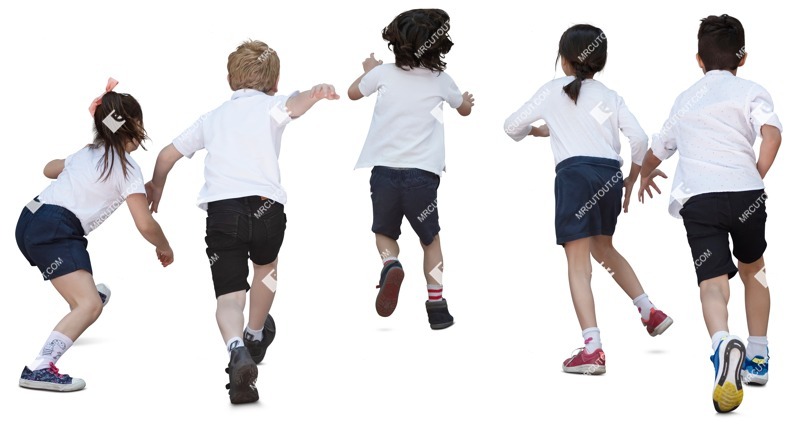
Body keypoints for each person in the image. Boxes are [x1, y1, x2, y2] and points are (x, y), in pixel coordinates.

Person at [146, 40, 339, 404]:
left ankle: (236, 348)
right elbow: (294, 105)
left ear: (230, 79)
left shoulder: (213, 117)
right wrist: (314, 95)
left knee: (229, 294)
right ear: (275, 80)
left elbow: (167, 154)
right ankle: (254, 334)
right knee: (266, 267)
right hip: (267, 209)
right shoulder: (272, 106)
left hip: (223, 215)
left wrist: (156, 185)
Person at [504, 24, 673, 375]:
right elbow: (639, 139)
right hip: (608, 176)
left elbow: (510, 126)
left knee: (578, 265)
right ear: (600, 61)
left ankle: (593, 349)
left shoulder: (552, 90)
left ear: (564, 60)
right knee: (604, 249)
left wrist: (533, 130)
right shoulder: (610, 96)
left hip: (575, 177)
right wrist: (632, 177)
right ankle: (649, 310)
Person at [638, 14, 782, 413]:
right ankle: (757, 356)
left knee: (712, 283)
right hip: (746, 194)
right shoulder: (752, 90)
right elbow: (772, 135)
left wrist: (643, 173)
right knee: (755, 269)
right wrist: (755, 175)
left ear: (698, 60)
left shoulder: (686, 99)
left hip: (698, 199)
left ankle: (722, 344)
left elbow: (658, 147)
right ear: (743, 57)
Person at [15, 78, 174, 392]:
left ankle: (85, 297)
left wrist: (70, 167)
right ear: (137, 125)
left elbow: (49, 169)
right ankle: (39, 368)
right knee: (90, 307)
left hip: (29, 221)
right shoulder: (128, 169)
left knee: (86, 297)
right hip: (56, 230)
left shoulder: (88, 152)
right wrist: (165, 246)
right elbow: (145, 224)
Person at [348, 8, 474, 329]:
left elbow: (352, 93)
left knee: (384, 233)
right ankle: (437, 307)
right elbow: (463, 110)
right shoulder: (442, 80)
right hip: (423, 178)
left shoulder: (383, 74)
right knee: (430, 242)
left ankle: (391, 264)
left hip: (384, 173)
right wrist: (467, 102)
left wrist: (368, 71)